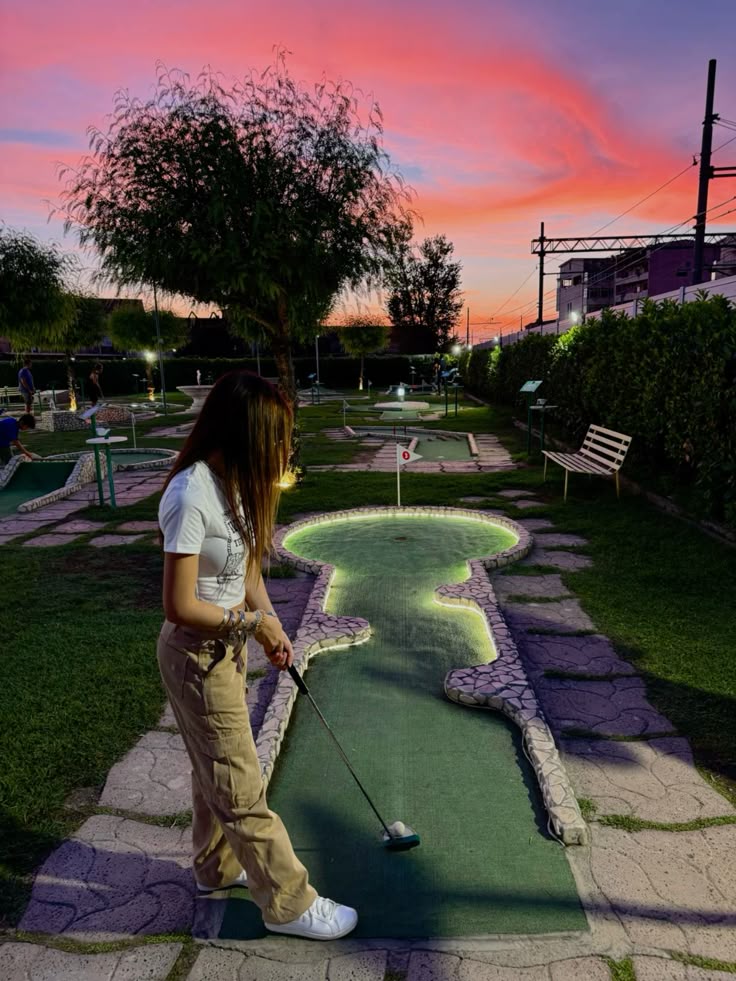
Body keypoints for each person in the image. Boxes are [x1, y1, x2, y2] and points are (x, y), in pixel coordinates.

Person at [157, 370, 357, 941]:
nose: (282, 451)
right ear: (243, 431)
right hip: (196, 656)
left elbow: (246, 573)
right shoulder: (190, 494)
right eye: (276, 437)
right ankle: (289, 904)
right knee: (240, 785)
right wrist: (250, 623)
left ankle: (216, 868)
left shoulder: (233, 484)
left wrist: (271, 625)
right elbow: (179, 605)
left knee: (213, 771)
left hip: (226, 649)